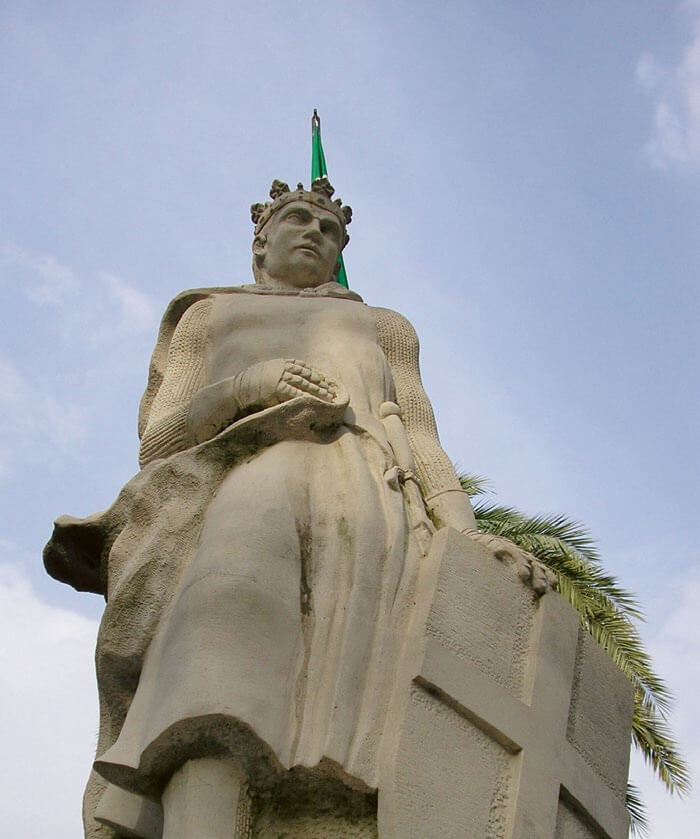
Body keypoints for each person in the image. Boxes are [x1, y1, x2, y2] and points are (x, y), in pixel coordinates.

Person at [45, 177, 550, 839]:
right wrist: (245, 387)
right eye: (298, 219)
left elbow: (421, 433)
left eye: (331, 229)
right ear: (261, 239)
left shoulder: (384, 326)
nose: (316, 233)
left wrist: (466, 531)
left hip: (366, 502)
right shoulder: (209, 317)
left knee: (359, 725)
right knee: (213, 670)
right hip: (241, 487)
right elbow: (160, 442)